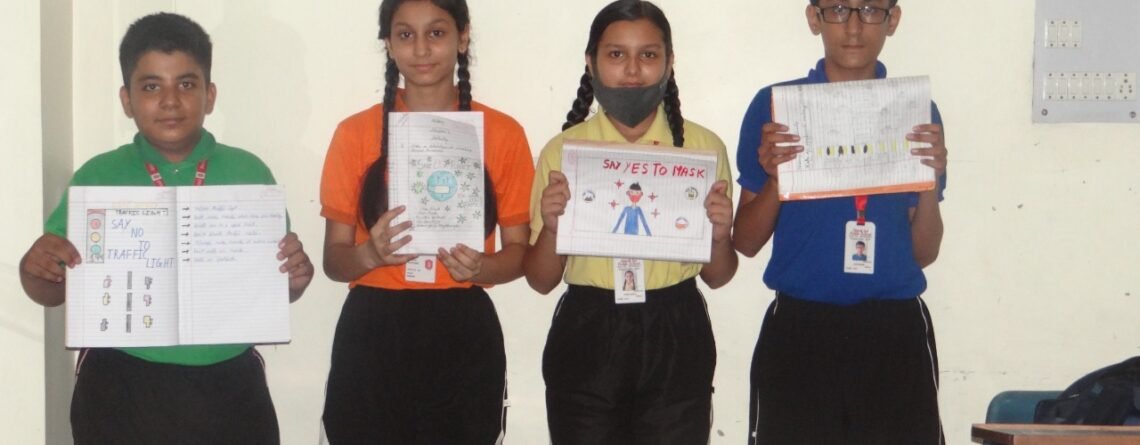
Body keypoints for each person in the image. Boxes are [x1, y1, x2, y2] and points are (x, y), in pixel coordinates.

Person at [17, 12, 313, 443]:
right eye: (151, 86)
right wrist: (34, 270)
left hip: (228, 384)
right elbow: (52, 290)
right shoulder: (96, 178)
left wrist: (295, 279)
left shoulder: (250, 173)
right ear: (126, 100)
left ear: (210, 96)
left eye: (186, 84)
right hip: (121, 383)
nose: (171, 101)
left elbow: (275, 288)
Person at [733, 1, 949, 444]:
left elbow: (924, 253)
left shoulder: (915, 111)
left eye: (869, 9)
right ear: (814, 18)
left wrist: (928, 181)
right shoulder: (776, 107)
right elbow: (746, 242)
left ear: (892, 19)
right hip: (800, 328)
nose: (853, 26)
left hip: (894, 331)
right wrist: (775, 178)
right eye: (837, 9)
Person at [318, 0, 534, 442]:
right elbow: (334, 261)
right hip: (372, 326)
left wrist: (483, 267)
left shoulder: (503, 133)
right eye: (405, 35)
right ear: (388, 44)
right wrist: (369, 254)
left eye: (436, 33)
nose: (420, 49)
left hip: (462, 325)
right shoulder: (354, 133)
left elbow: (519, 254)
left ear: (462, 37)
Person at [524, 1, 736, 443]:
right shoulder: (563, 151)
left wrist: (718, 236)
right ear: (591, 62)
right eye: (616, 54)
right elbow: (541, 281)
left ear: (669, 62)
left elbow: (719, 276)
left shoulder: (702, 148)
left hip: (675, 323)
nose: (633, 70)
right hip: (589, 324)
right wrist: (552, 226)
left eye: (649, 54)